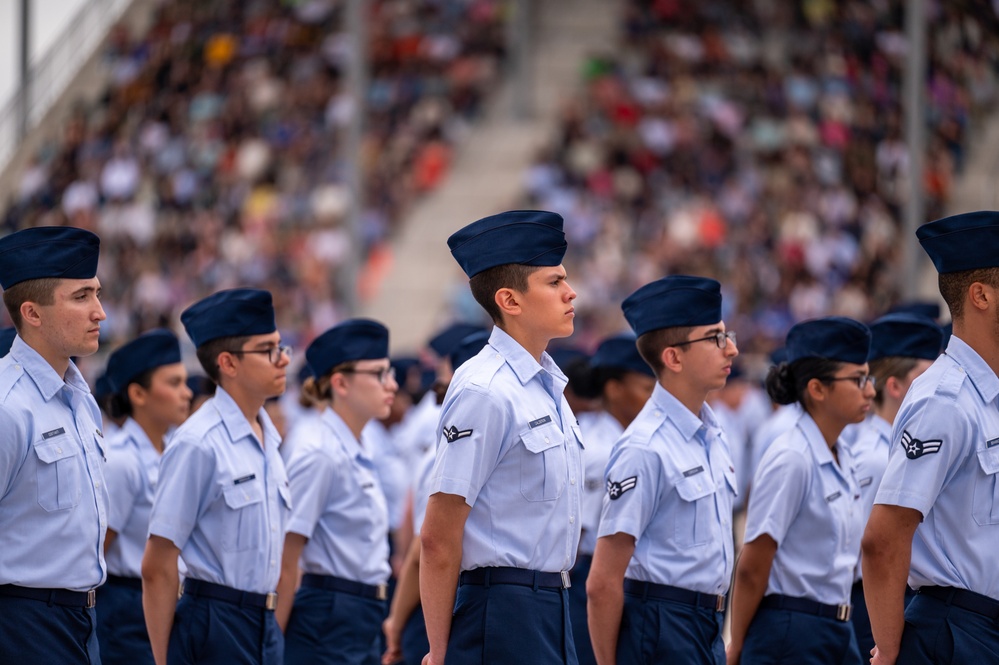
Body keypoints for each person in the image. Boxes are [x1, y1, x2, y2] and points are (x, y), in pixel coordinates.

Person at [420, 210, 584, 665]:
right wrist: (439, 651)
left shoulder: (548, 386)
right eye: (554, 283)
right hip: (503, 611)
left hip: (554, 604)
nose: (571, 293)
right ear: (509, 301)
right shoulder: (485, 389)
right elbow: (439, 534)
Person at [862, 210, 999, 665]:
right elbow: (883, 540)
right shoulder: (945, 400)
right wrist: (892, 650)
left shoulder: (988, 397)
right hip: (957, 632)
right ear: (980, 295)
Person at [586, 276, 739, 665]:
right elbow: (603, 581)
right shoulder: (646, 447)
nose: (733, 349)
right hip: (660, 625)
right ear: (673, 357)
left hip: (706, 623)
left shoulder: (711, 434)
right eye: (716, 338)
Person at [141, 288, 292, 665]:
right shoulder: (198, 443)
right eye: (268, 349)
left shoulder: (267, 436)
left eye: (281, 346)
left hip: (264, 623)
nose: (284, 359)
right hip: (214, 621)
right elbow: (158, 565)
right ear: (228, 362)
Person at [728, 317, 874, 665]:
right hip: (791, 630)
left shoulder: (844, 454)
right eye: (857, 380)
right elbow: (753, 565)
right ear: (817, 389)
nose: (870, 390)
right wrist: (737, 646)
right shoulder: (792, 457)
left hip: (836, 627)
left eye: (869, 378)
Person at [0, 226, 108, 663]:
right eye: (81, 297)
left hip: (82, 622)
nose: (100, 312)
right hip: (22, 627)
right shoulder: (8, 406)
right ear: (33, 313)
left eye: (97, 294)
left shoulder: (80, 399)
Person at [276, 318, 398, 664]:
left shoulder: (355, 446)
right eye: (378, 374)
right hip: (327, 614)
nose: (392, 384)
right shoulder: (319, 453)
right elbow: (287, 558)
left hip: (360, 612)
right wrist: (272, 647)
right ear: (341, 383)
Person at [382, 329, 491, 665]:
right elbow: (426, 544)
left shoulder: (448, 435)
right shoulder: (448, 441)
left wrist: (395, 622)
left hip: (448, 596)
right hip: (443, 598)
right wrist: (397, 623)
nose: (437, 381)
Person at [845, 313, 942, 661]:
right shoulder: (875, 457)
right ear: (895, 386)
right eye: (923, 375)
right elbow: (866, 544)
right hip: (873, 598)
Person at [97, 329, 192, 664]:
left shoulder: (175, 450)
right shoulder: (122, 460)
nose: (187, 393)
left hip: (171, 599)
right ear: (138, 393)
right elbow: (97, 551)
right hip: (128, 609)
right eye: (174, 383)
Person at [570, 333, 656, 665]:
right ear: (614, 388)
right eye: (647, 388)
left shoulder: (623, 439)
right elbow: (576, 535)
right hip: (589, 579)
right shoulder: (602, 449)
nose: (653, 398)